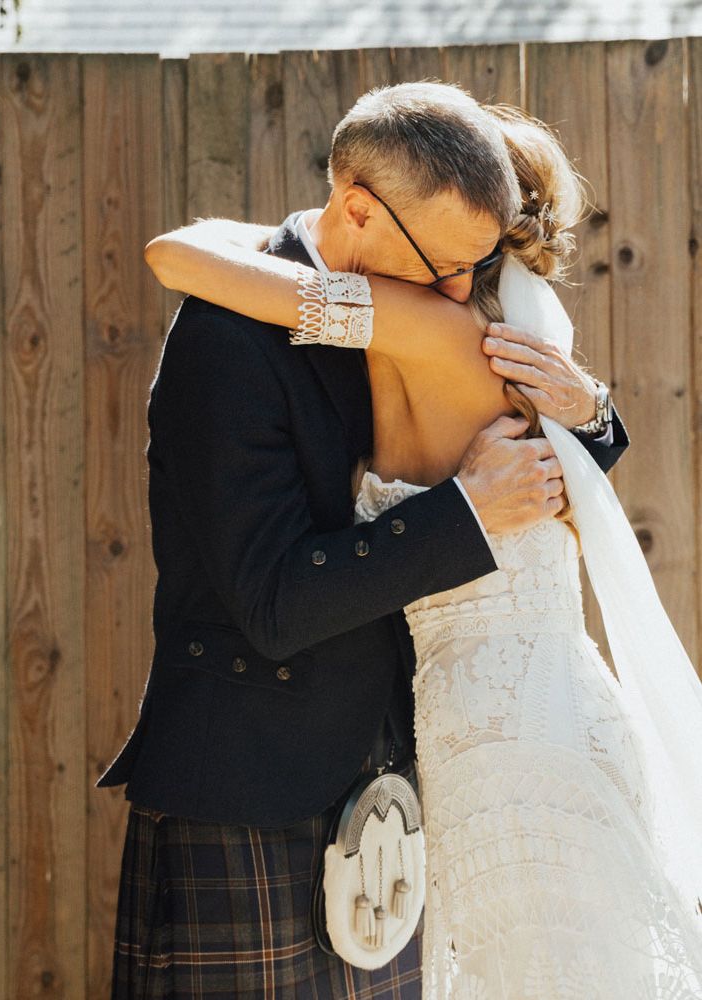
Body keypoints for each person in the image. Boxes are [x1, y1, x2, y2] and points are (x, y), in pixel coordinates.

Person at [141, 97, 702, 996]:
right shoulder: (499, 355)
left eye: (464, 261)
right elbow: (584, 459)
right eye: (443, 253)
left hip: (499, 734)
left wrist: (585, 417)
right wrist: (590, 412)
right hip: (487, 730)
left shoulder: (415, 322)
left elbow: (185, 257)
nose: (448, 277)